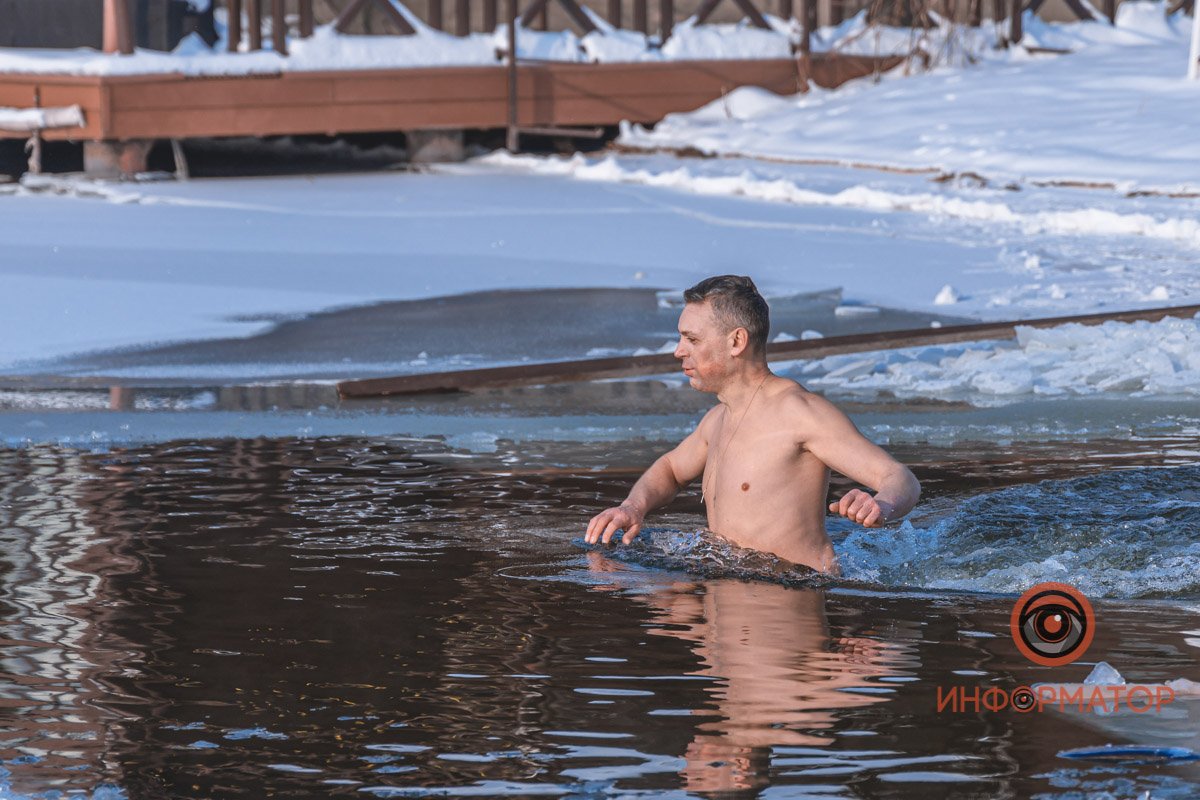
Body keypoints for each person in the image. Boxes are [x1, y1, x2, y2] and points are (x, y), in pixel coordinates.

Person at [585, 275, 921, 574]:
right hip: (730, 594)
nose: (678, 351)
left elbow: (900, 478)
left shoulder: (798, 413)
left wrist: (881, 505)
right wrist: (632, 507)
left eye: (692, 339)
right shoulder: (716, 420)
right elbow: (671, 469)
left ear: (736, 341)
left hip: (790, 598)